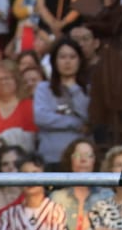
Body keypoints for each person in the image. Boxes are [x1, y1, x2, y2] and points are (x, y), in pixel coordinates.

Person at [33, 36, 90, 165]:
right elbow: (41, 117)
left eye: (72, 57)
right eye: (62, 57)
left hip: (79, 160)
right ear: (54, 61)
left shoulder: (87, 90)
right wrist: (75, 123)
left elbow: (86, 117)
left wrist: (73, 87)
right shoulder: (43, 88)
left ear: (80, 60)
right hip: (50, 158)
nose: (67, 62)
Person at [48, 138, 113, 230]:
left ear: (94, 161)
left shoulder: (107, 196)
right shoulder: (56, 198)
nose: (83, 160)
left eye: (88, 155)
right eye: (78, 155)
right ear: (70, 160)